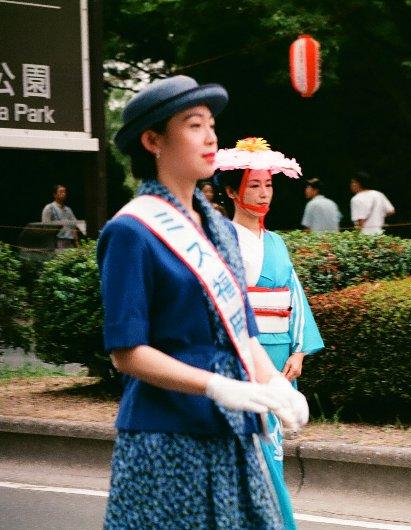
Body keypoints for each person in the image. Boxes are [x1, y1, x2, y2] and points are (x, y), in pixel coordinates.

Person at [98, 75, 308, 529]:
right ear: (152, 140)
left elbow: (243, 333)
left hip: (233, 431)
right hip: (165, 436)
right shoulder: (131, 231)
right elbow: (127, 353)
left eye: (212, 123)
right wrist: (215, 385)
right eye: (194, 125)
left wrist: (274, 384)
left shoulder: (217, 230)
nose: (211, 136)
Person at [216, 137, 325, 530]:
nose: (264, 194)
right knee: (253, 447)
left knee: (272, 447)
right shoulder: (222, 240)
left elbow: (294, 295)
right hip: (245, 357)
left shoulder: (276, 241)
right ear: (232, 192)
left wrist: (299, 350)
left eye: (269, 185)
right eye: (254, 186)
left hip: (281, 356)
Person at [41, 184, 80, 248]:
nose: (63, 194)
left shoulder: (68, 210)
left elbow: (73, 226)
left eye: (64, 192)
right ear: (55, 195)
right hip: (56, 241)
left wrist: (76, 242)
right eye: (61, 192)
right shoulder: (49, 208)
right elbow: (45, 226)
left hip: (69, 241)